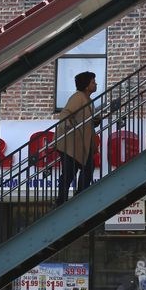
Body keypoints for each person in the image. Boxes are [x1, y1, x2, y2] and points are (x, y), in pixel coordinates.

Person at [55, 71, 98, 205]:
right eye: (93, 82)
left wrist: (96, 120)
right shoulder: (78, 97)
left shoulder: (88, 100)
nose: (95, 84)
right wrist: (68, 125)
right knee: (69, 172)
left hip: (81, 143)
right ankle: (61, 201)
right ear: (86, 85)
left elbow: (86, 121)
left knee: (88, 168)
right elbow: (65, 113)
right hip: (70, 143)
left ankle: (80, 195)